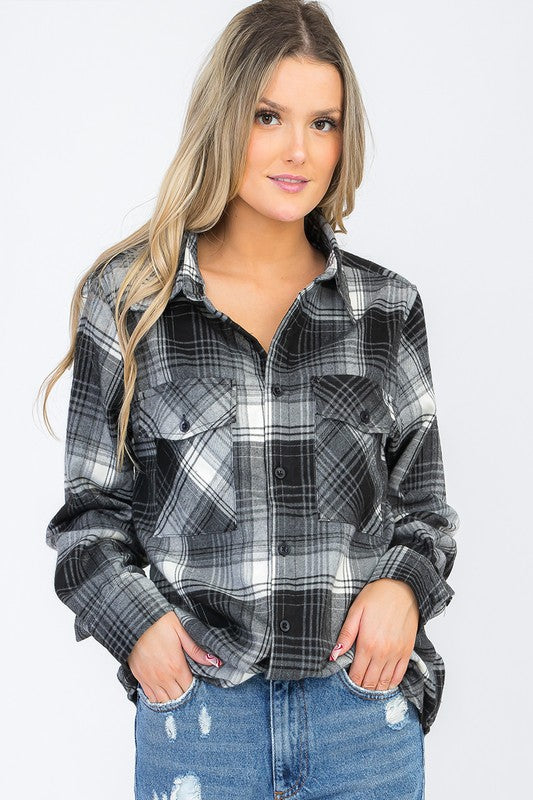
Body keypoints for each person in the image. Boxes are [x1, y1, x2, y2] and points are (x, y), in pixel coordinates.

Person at [40, 1, 459, 797]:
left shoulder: (385, 309)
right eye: (269, 116)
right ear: (224, 119)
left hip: (361, 719)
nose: (298, 149)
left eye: (323, 123)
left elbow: (424, 510)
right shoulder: (132, 304)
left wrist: (401, 587)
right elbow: (88, 519)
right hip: (203, 725)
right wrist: (139, 629)